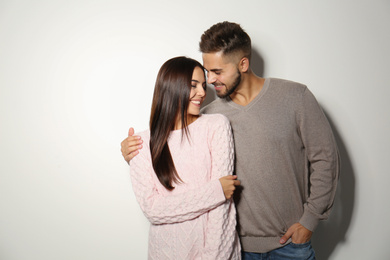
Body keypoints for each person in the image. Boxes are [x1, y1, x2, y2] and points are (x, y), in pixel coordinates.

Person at [122, 22, 340, 260]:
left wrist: (309, 220)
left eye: (217, 72)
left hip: (288, 244)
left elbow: (325, 158)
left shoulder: (295, 97)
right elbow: (176, 152)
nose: (210, 81)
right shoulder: (208, 116)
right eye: (207, 72)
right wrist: (134, 152)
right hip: (236, 246)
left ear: (243, 64)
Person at [128, 56, 241, 259]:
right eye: (193, 85)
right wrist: (214, 191)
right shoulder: (141, 143)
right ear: (171, 88)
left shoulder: (216, 125)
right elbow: (153, 210)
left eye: (203, 86)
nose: (203, 93)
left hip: (216, 254)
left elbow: (221, 211)